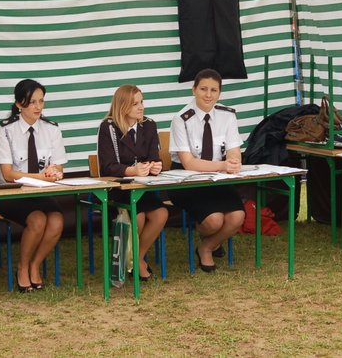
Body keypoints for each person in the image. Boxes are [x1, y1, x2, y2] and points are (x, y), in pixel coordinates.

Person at [0, 79, 66, 292]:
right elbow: (8, 174)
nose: (38, 107)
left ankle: (35, 264)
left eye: (41, 101)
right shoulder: (5, 130)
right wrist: (41, 177)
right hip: (11, 194)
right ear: (19, 104)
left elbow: (58, 165)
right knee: (37, 219)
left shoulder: (51, 129)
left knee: (56, 221)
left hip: (41, 192)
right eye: (32, 102)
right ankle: (22, 267)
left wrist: (54, 171)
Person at [169, 68, 245, 272]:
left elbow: (234, 150)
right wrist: (223, 165)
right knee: (214, 220)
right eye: (203, 89)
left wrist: (234, 161)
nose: (208, 95)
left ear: (219, 92)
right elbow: (188, 163)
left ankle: (206, 247)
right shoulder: (181, 119)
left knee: (237, 216)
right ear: (194, 90)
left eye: (214, 90)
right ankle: (211, 241)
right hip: (188, 180)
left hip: (217, 178)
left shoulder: (227, 115)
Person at [97, 85, 169, 281]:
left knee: (161, 213)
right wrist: (132, 171)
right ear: (122, 106)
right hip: (118, 189)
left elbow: (154, 157)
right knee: (138, 216)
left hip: (141, 188)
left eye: (142, 102)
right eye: (135, 104)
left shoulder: (149, 125)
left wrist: (156, 166)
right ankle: (135, 262)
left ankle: (136, 257)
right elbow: (108, 166)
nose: (141, 107)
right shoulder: (108, 127)